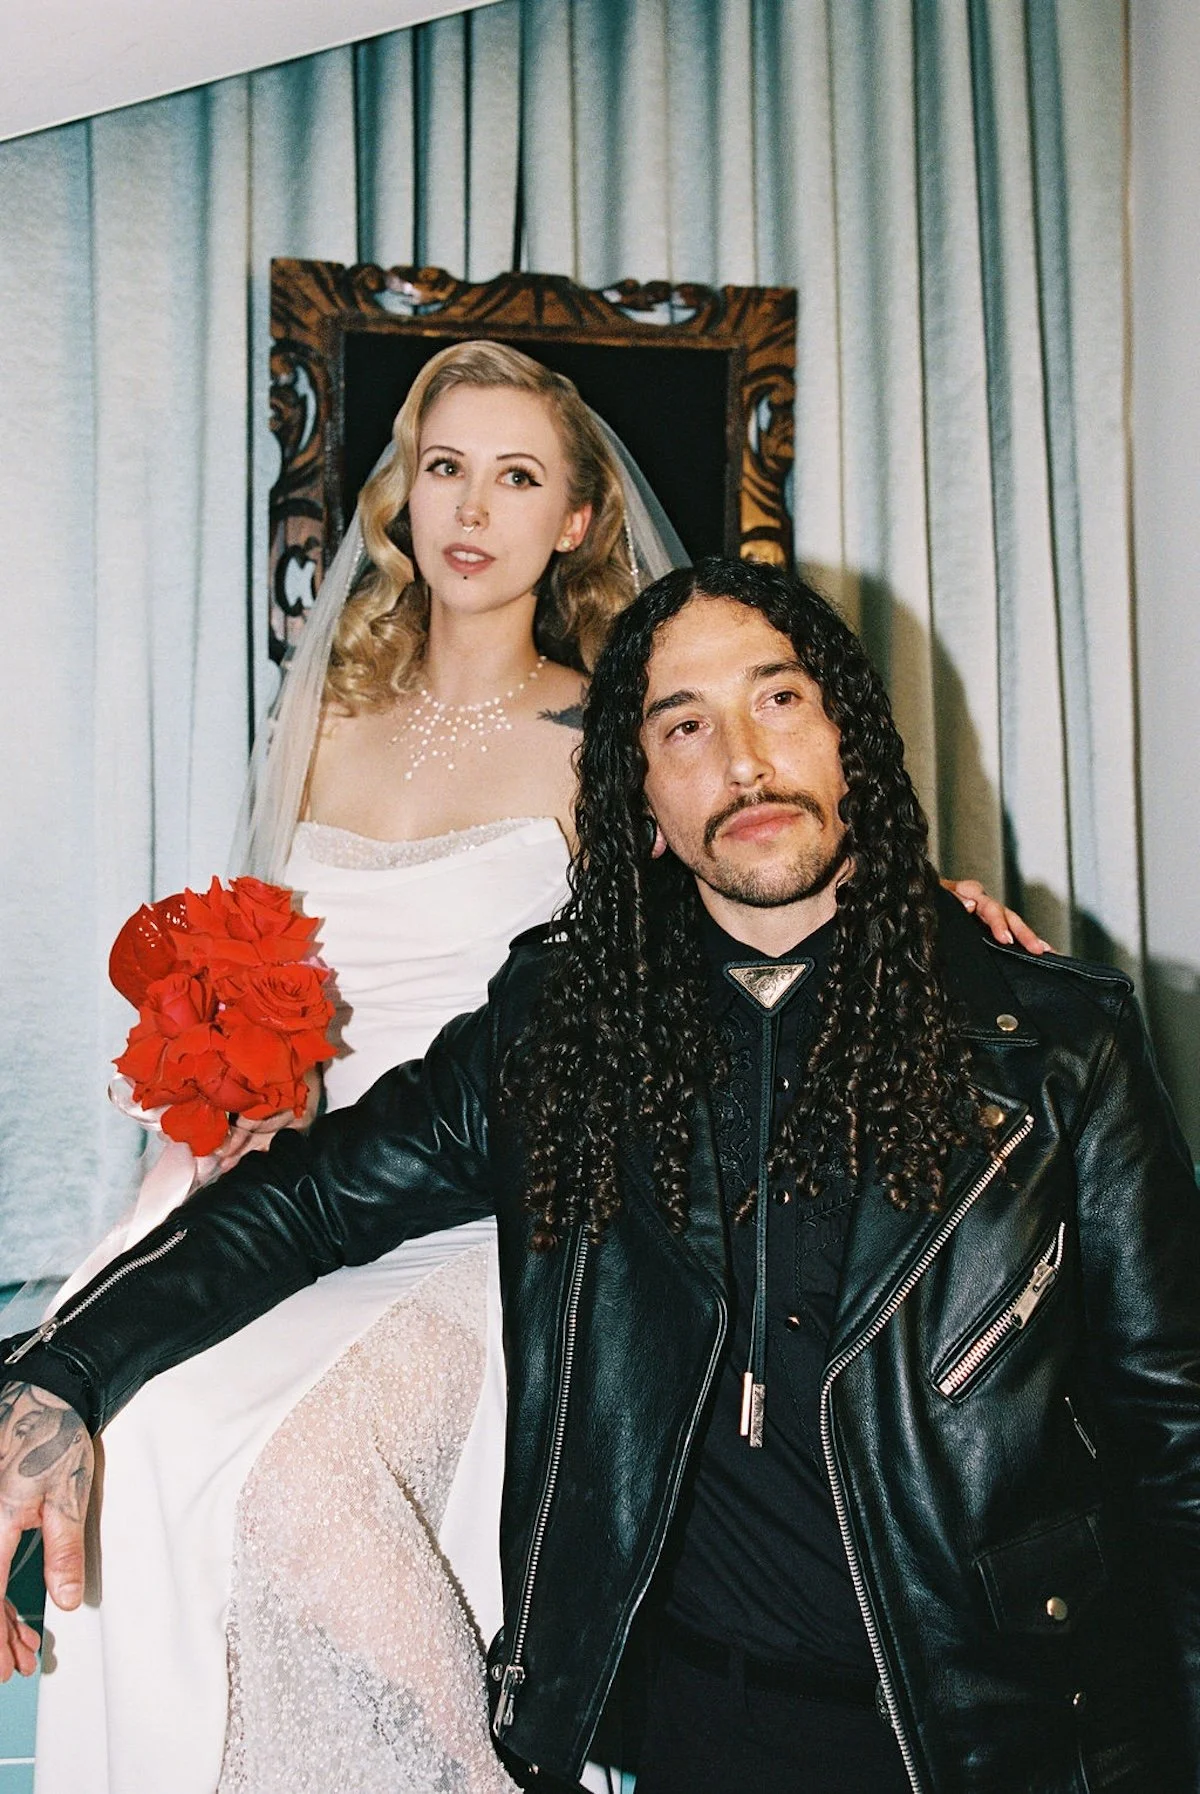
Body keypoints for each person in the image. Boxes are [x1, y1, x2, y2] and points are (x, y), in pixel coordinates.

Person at [2, 550, 1053, 1792]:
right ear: (637, 796)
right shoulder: (566, 1032)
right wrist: (59, 1374)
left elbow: (1170, 1431)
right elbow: (312, 1199)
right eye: (685, 725)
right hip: (692, 1722)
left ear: (849, 740)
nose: (743, 760)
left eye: (778, 699)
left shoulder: (1047, 1047)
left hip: (977, 1732)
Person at [21, 339, 684, 1794]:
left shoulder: (611, 738)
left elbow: (720, 932)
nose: (474, 507)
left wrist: (929, 905)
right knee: (137, 1421)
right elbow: (262, 965)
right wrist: (233, 1090)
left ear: (576, 519)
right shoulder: (325, 715)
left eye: (518, 477)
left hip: (482, 1206)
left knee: (302, 1477)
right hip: (289, 1188)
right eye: (446, 466)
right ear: (404, 494)